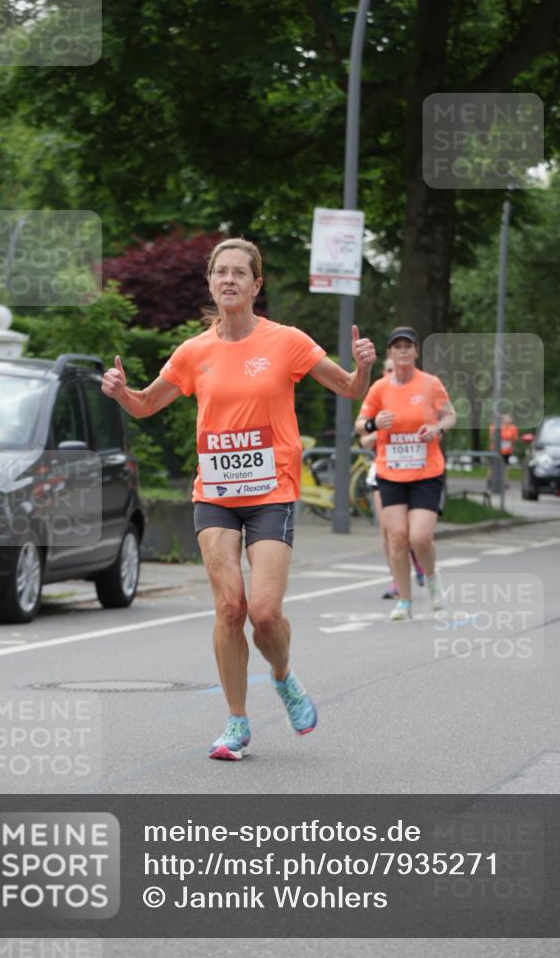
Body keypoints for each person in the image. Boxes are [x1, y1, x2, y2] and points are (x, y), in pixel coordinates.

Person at [101, 237, 376, 759]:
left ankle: (283, 675)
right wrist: (120, 392)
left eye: (239, 273)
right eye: (220, 272)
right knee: (230, 607)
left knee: (265, 614)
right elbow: (144, 406)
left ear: (256, 284)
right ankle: (236, 722)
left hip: (272, 491)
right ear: (210, 283)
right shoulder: (194, 352)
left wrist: (362, 366)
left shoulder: (288, 341)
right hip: (217, 493)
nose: (229, 280)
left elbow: (348, 389)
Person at [354, 326, 456, 620]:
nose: (402, 351)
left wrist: (436, 428)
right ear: (390, 353)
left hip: (426, 471)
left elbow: (450, 415)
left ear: (415, 352)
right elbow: (361, 424)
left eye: (407, 346)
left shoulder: (430, 384)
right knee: (397, 537)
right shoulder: (380, 388)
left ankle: (433, 578)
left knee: (420, 537)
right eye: (396, 347)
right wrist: (375, 424)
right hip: (391, 472)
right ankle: (405, 599)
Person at [360, 358, 424, 599]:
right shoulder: (378, 397)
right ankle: (397, 580)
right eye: (386, 370)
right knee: (389, 531)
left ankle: (417, 560)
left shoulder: (414, 395)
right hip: (382, 471)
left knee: (408, 530)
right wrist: (376, 429)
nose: (391, 373)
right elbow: (364, 438)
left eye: (393, 369)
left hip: (413, 472)